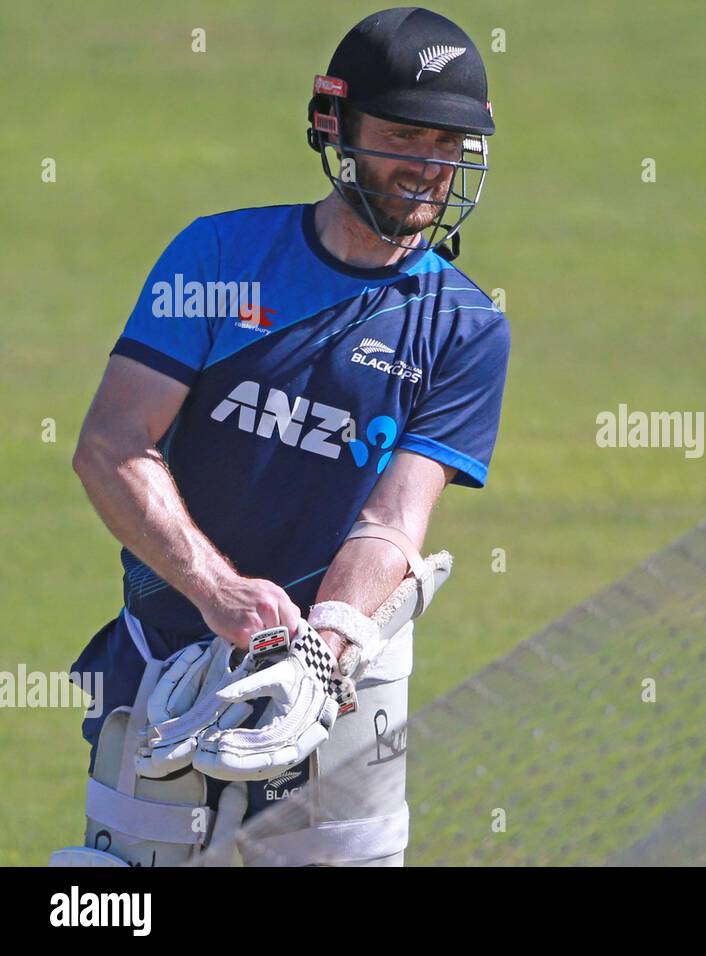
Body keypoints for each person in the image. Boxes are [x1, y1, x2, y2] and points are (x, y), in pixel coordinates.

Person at [58, 7, 508, 866]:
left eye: (451, 145)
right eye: (406, 136)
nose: (430, 167)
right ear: (335, 128)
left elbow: (395, 519)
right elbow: (112, 445)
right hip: (174, 650)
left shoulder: (465, 326)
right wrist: (217, 595)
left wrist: (323, 647)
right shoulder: (220, 256)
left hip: (344, 681)